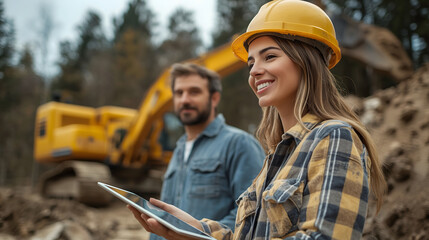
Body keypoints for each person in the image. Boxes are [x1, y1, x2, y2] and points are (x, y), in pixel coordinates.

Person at [129, 0, 387, 239]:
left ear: (306, 61)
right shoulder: (278, 154)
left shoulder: (333, 137)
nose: (254, 71)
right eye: (251, 62)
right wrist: (197, 230)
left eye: (270, 56)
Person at [149, 63, 265, 240]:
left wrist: (199, 233)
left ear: (214, 98)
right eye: (179, 93)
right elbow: (166, 215)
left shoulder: (239, 144)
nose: (185, 99)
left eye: (194, 92)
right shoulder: (179, 149)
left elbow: (254, 216)